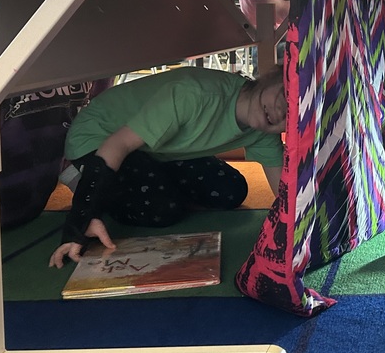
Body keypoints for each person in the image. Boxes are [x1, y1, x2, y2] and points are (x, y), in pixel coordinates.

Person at [48, 65, 286, 268]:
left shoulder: (263, 129)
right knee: (164, 208)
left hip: (154, 149)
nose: (280, 113)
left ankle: (150, 179)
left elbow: (284, 195)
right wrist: (82, 219)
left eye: (291, 115)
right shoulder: (194, 94)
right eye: (284, 96)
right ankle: (77, 177)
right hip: (100, 140)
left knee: (230, 190)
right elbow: (117, 144)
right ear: (269, 76)